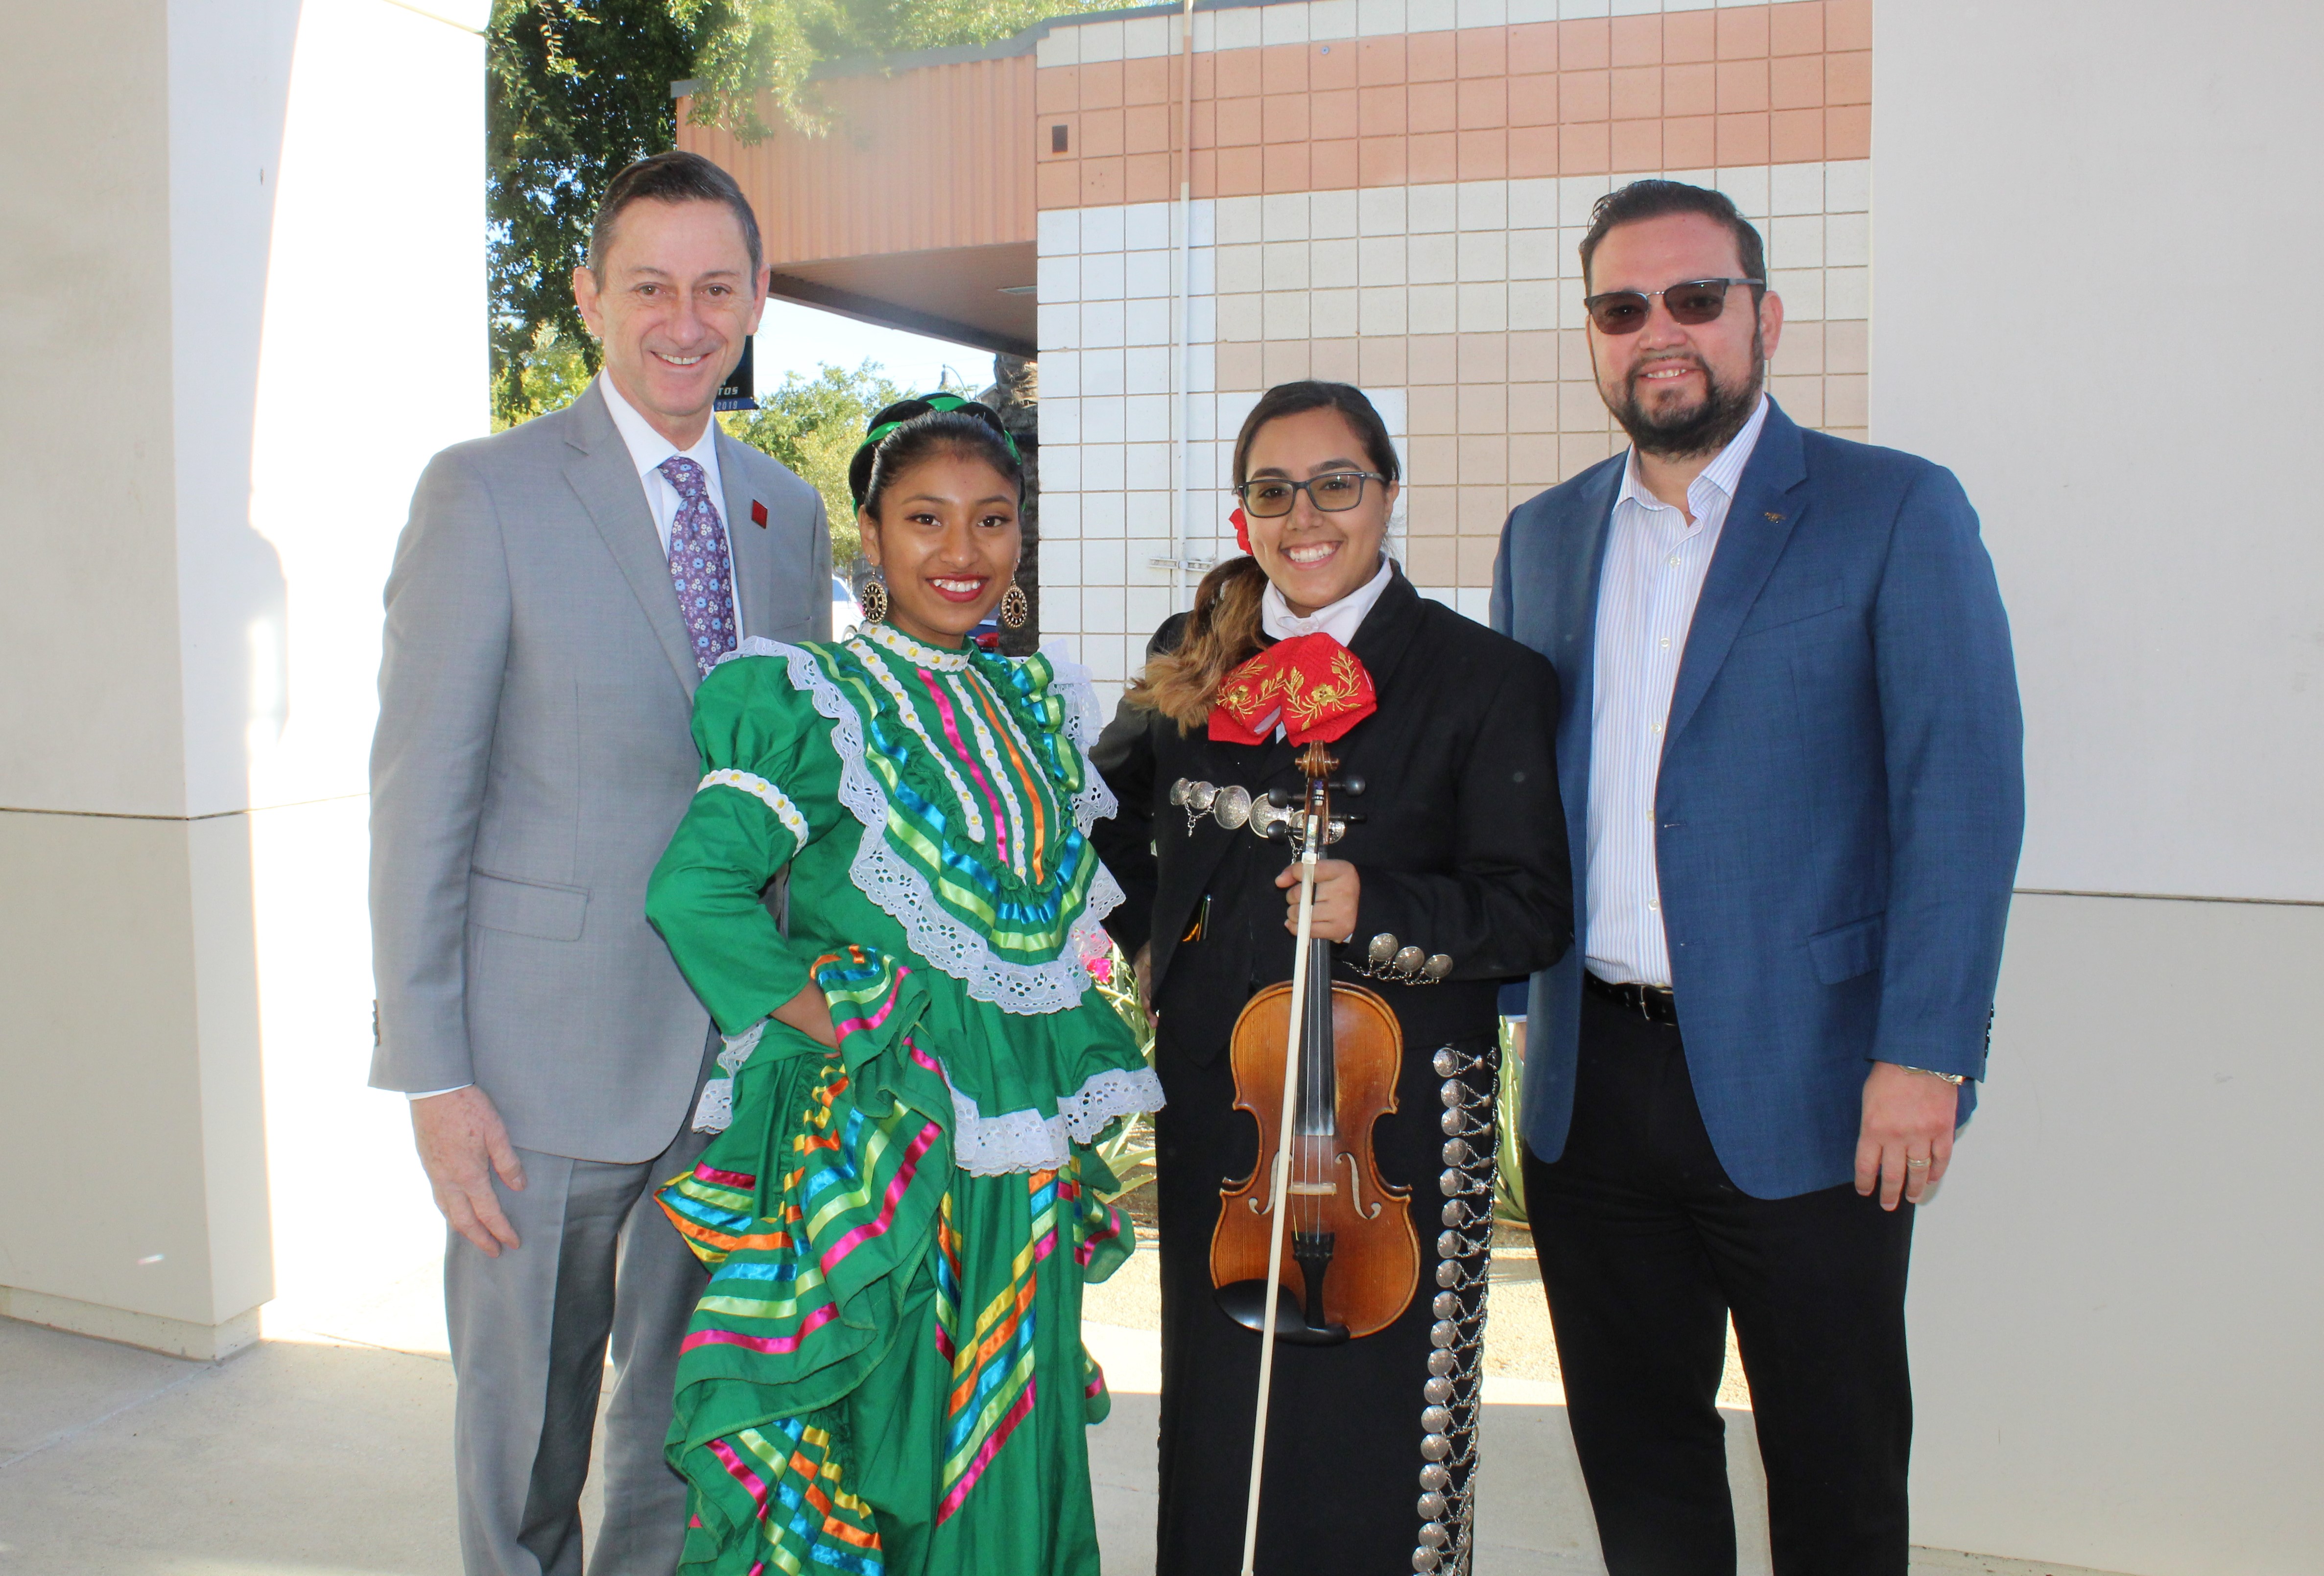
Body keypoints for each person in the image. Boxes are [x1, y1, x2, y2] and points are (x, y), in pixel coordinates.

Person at [1491, 179, 2024, 1573]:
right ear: (1594, 338)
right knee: (1639, 1461)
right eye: (1621, 307)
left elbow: (1960, 798)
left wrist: (1925, 1052)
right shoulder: (1540, 536)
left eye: (1693, 298)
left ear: (1763, 316)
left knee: (1837, 1472)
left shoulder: (1893, 509)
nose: (1657, 331)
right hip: (1587, 1092)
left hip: (1822, 1085)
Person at [368, 150, 830, 1576]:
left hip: (731, 1068)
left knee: (682, 1441)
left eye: (713, 288)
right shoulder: (486, 493)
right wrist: (434, 1075)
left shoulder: (786, 513)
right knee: (524, 1448)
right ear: (589, 297)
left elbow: (794, 797)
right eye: (649, 287)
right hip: (535, 1077)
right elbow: (418, 799)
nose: (682, 321)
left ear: (754, 302)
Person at [641, 396, 1164, 1576]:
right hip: (880, 1154)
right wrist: (834, 1020)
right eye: (925, 519)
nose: (962, 553)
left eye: (992, 520)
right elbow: (694, 891)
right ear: (869, 537)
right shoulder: (807, 698)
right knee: (884, 1438)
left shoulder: (1041, 704)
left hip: (1018, 1160)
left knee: (1002, 1425)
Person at [1091, 381, 1573, 1574]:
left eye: (1337, 483)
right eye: (1273, 490)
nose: (1305, 515)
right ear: (1244, 511)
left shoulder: (1485, 679)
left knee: (1372, 1440)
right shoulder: (1192, 656)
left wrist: (1384, 906)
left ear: (1388, 492)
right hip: (1231, 1110)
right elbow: (1101, 817)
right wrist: (1158, 943)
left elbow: (1534, 911)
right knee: (1218, 1430)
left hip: (1393, 1128)